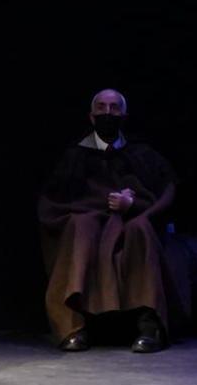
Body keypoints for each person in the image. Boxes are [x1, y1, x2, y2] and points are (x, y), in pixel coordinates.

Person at [38, 89, 178, 354]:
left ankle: (150, 326)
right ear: (91, 117)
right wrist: (100, 204)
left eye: (114, 108)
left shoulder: (141, 154)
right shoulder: (75, 156)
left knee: (140, 230)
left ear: (124, 115)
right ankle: (73, 327)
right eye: (101, 108)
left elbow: (164, 191)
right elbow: (56, 200)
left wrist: (134, 205)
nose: (108, 113)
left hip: (131, 220)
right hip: (89, 220)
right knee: (81, 227)